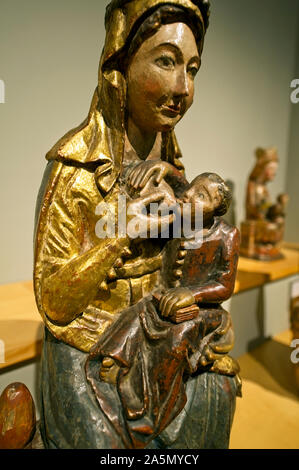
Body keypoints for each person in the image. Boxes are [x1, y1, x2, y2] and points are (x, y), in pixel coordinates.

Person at [34, 0, 239, 449]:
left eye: (193, 68)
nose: (183, 87)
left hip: (161, 326)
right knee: (101, 441)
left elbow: (196, 246)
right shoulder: (76, 169)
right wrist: (125, 232)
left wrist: (205, 309)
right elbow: (53, 301)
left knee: (217, 394)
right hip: (87, 338)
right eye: (166, 61)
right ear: (119, 65)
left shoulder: (169, 163)